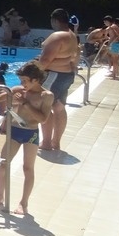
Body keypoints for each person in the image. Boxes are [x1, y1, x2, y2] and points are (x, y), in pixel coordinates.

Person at [0, 62, 53, 214]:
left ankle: (23, 203)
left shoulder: (46, 96)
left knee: (28, 168)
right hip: (14, 131)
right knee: (2, 164)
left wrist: (25, 103)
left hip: (31, 134)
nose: (22, 84)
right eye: (21, 81)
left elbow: (43, 119)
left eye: (25, 81)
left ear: (36, 80)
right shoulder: (17, 90)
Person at [36, 8, 80, 151]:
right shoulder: (72, 35)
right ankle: (56, 142)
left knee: (46, 107)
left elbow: (45, 60)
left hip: (53, 75)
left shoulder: (57, 37)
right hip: (66, 75)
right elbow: (75, 57)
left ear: (54, 20)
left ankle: (46, 143)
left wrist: (34, 76)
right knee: (59, 107)